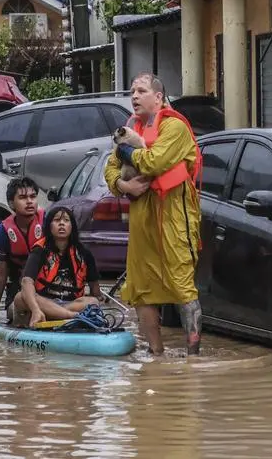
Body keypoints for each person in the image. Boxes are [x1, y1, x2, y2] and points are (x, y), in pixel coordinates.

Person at [103, 72, 203, 356]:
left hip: (173, 219)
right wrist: (124, 185)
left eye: (141, 90)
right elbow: (108, 169)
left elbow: (153, 161)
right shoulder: (130, 127)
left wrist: (125, 154)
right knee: (141, 289)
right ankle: (156, 354)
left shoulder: (174, 127)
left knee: (182, 286)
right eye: (132, 91)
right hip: (141, 220)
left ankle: (193, 358)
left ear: (158, 97)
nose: (134, 96)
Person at [12, 205, 102, 328]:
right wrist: (36, 309)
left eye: (66, 220)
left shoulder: (84, 253)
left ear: (72, 226)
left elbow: (95, 291)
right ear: (49, 226)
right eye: (56, 220)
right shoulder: (39, 250)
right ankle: (71, 316)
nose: (61, 224)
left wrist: (96, 304)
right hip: (43, 302)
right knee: (20, 297)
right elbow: (26, 282)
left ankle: (55, 314)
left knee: (93, 302)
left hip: (70, 303)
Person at [0, 176, 44, 322]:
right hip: (18, 289)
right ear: (12, 203)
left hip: (47, 287)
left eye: (33, 196)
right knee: (15, 311)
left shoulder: (48, 224)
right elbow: (1, 276)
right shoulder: (2, 233)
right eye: (23, 197)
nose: (29, 201)